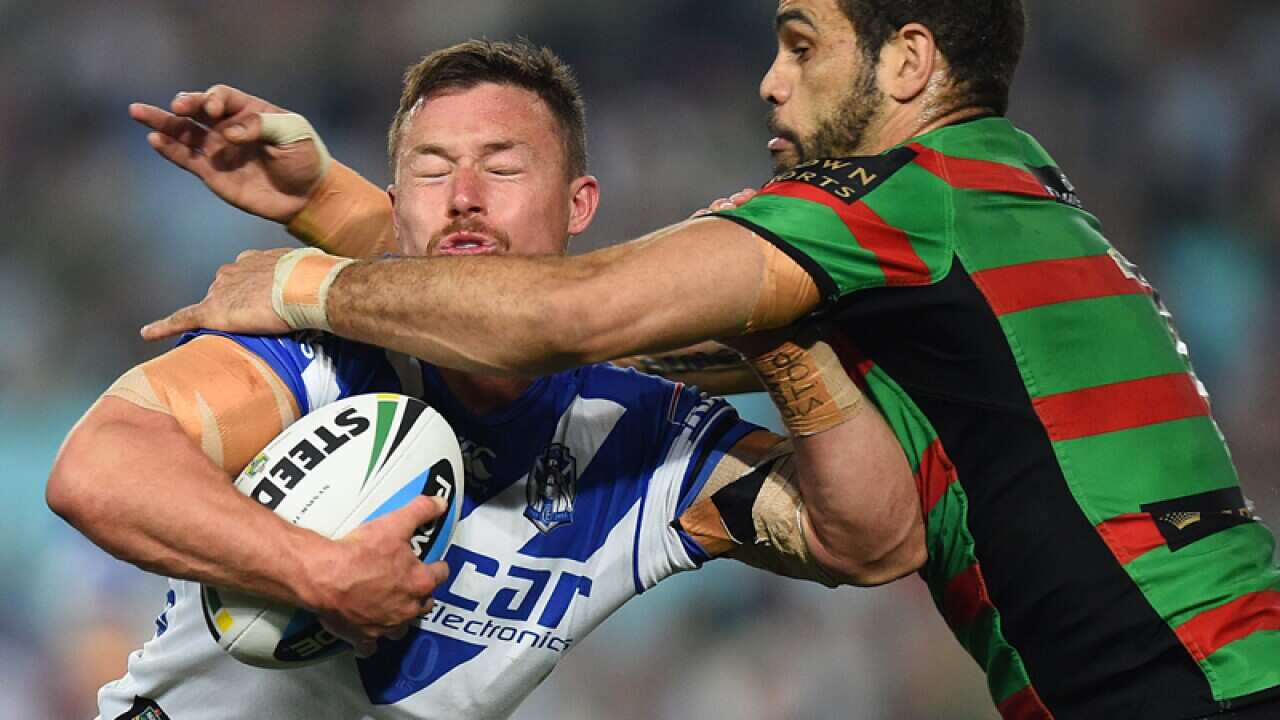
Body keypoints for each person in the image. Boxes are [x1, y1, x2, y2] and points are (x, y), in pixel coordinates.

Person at [140, 2, 1280, 718]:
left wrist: (303, 280)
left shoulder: (902, 199)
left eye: (799, 44)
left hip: (1183, 682)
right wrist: (338, 204)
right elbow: (604, 341)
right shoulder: (986, 203)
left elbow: (578, 314)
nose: (769, 83)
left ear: (906, 62)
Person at [49, 40, 923, 720]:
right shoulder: (318, 356)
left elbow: (873, 542)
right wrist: (313, 570)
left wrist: (781, 329)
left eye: (503, 168)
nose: (464, 195)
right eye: (431, 170)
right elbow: (96, 468)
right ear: (397, 205)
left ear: (580, 205)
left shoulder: (644, 436)